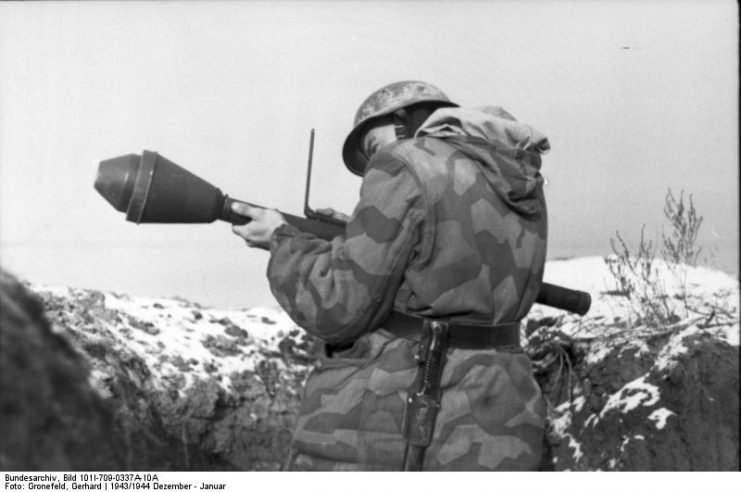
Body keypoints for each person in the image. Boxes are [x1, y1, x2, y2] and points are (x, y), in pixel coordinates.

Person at [231, 80, 550, 471]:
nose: (371, 166)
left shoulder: (404, 160)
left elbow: (336, 307)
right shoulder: (515, 169)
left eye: (371, 147)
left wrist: (282, 242)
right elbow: (442, 259)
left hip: (408, 410)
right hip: (503, 405)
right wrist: (357, 236)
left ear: (403, 120)